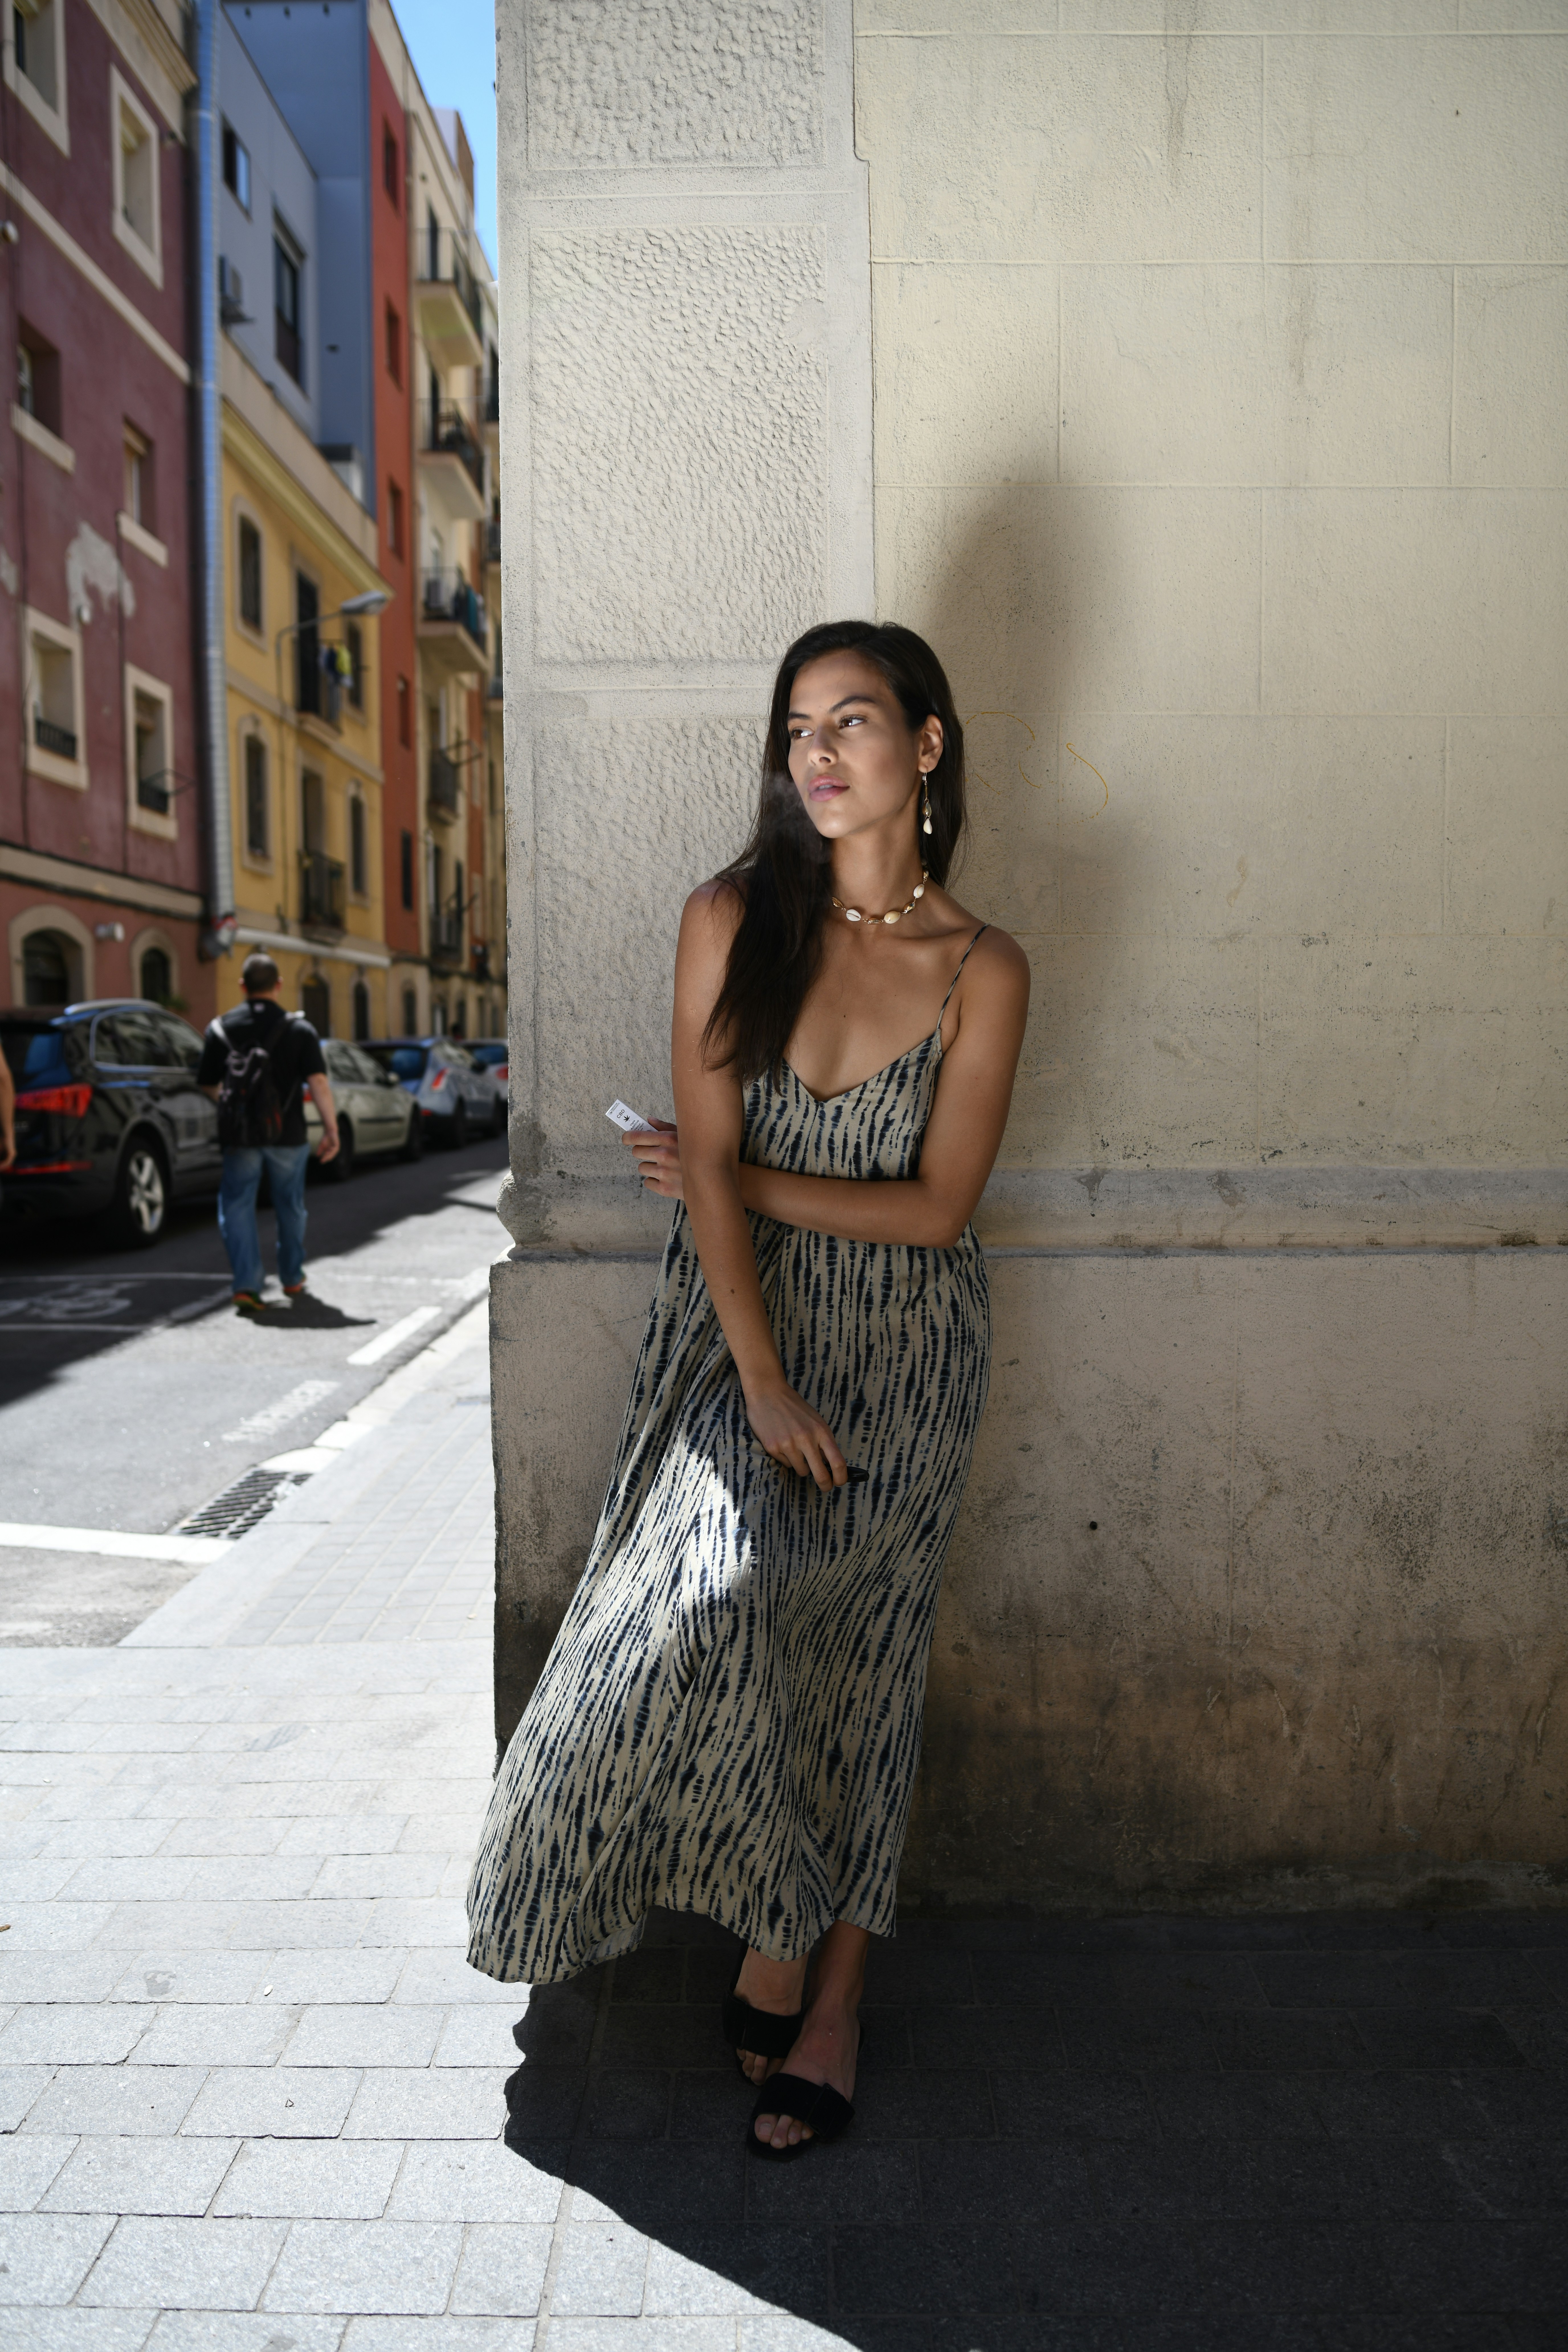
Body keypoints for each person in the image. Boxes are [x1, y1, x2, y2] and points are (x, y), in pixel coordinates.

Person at [466, 620, 1030, 2160]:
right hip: (743, 1341)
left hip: (913, 1348)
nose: (822, 753)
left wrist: (754, 1178)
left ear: (927, 744)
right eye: (798, 729)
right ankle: (764, 1912)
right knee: (696, 1603)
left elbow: (934, 1212)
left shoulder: (984, 967)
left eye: (855, 721)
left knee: (870, 1659)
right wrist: (765, 1384)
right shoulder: (730, 916)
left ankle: (829, 1994)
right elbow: (697, 1171)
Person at [197, 953, 339, 1313]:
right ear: (278, 986)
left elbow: (208, 1085)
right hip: (287, 1134)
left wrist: (238, 1108)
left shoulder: (220, 1029)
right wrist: (331, 1128)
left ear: (243, 987)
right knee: (290, 1205)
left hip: (240, 1137)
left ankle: (246, 1285)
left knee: (237, 1205)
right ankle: (292, 1276)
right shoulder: (300, 1030)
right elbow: (319, 1083)